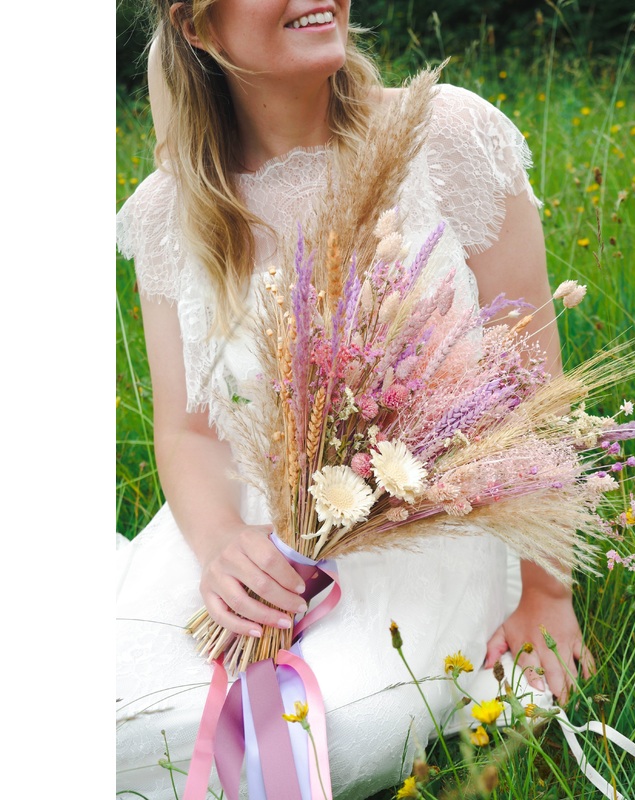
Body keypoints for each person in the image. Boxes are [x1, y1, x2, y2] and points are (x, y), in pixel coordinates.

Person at [116, 2, 595, 798]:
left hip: (427, 529)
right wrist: (224, 546)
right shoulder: (168, 212)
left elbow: (532, 383)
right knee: (109, 708)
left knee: (340, 725)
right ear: (198, 27)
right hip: (247, 522)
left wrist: (548, 590)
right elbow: (190, 429)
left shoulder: (445, 137)